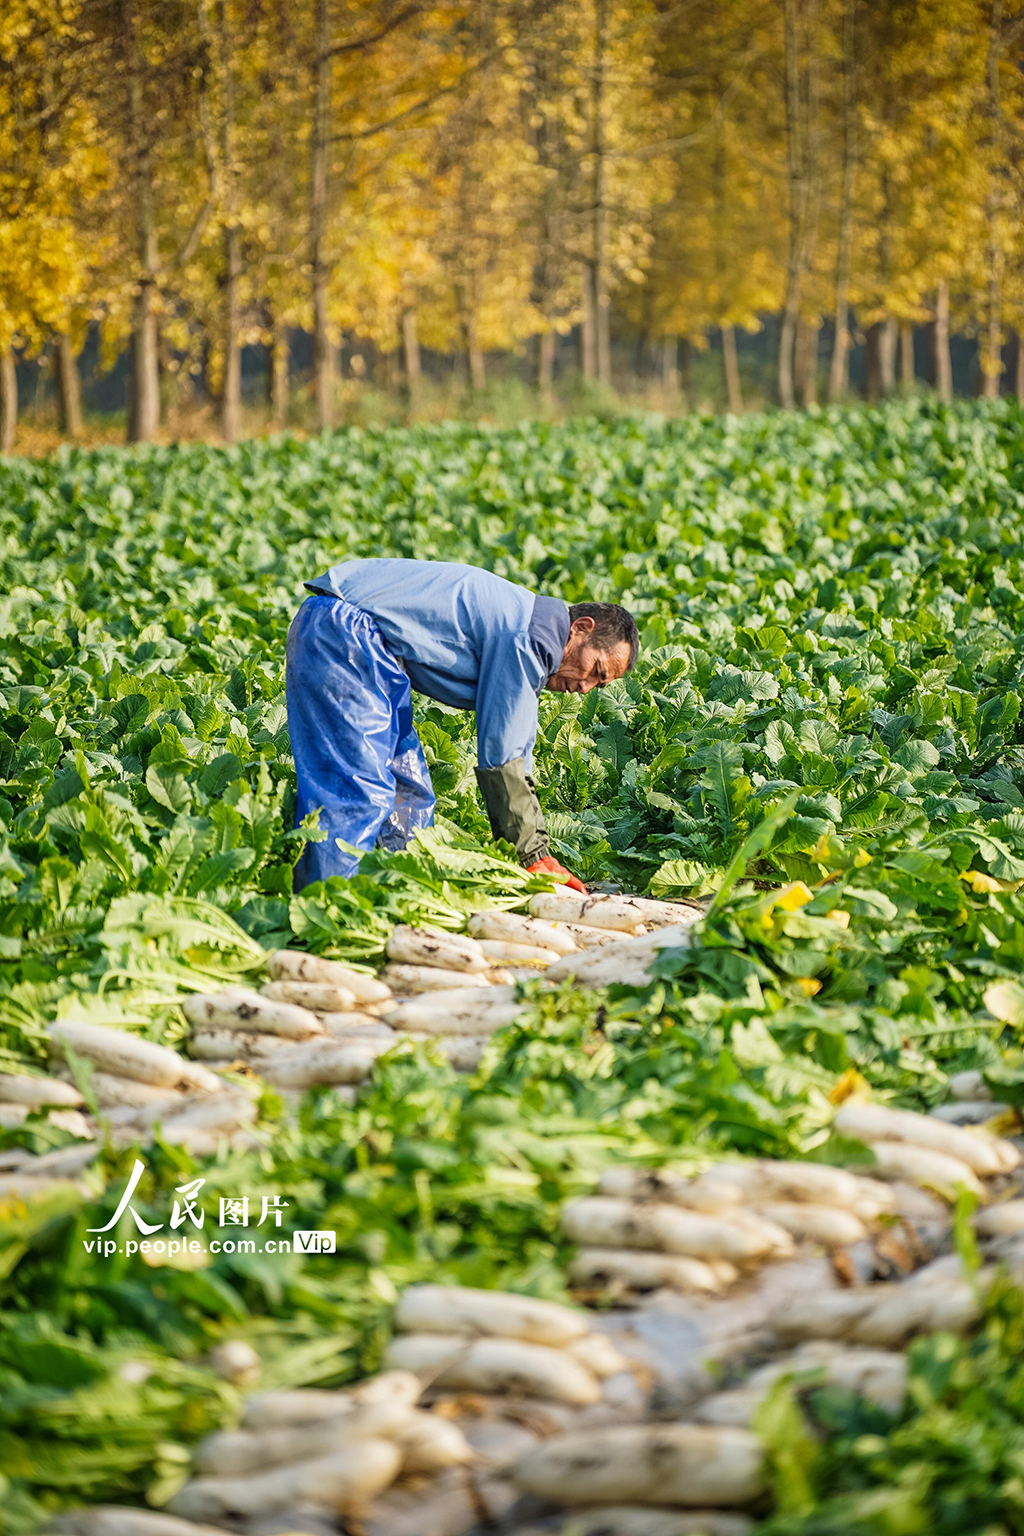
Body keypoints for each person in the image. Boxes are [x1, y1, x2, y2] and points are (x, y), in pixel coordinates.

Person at [286, 556, 639, 891]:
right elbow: (502, 755)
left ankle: (394, 894)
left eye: (600, 685)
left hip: (379, 653)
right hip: (345, 631)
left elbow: (519, 745)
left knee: (408, 796)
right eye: (595, 670)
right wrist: (532, 855)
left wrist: (537, 848)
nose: (585, 688)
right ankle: (328, 906)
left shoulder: (534, 637)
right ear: (580, 628)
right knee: (360, 790)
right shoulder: (528, 638)